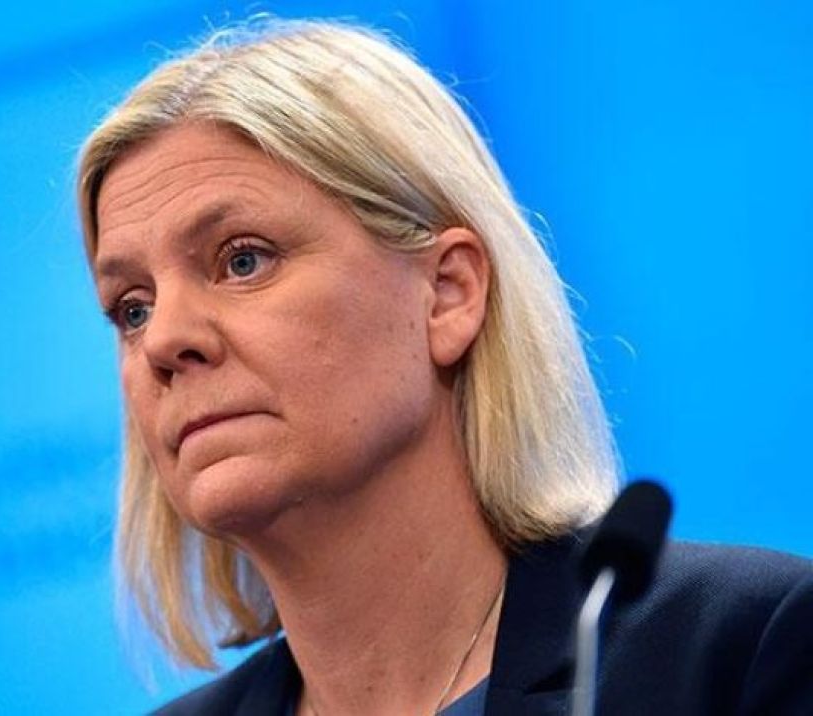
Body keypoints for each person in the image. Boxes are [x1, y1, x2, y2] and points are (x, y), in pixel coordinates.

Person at [74, 18, 813, 716]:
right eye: (131, 308)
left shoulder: (739, 653)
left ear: (448, 294)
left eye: (243, 260)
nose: (164, 339)